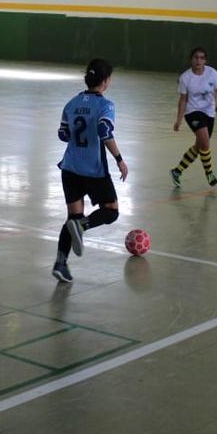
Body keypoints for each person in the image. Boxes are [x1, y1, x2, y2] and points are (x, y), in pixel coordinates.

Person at [52, 58, 129, 283]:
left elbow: (63, 134)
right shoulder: (106, 105)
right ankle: (82, 225)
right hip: (93, 170)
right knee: (111, 211)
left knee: (72, 216)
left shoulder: (72, 103)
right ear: (105, 81)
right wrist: (119, 159)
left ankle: (60, 263)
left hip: (70, 167)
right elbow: (104, 131)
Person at [170, 46, 217, 188]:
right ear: (191, 59)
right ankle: (209, 173)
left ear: (205, 60)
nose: (198, 60)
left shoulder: (212, 73)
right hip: (192, 112)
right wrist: (179, 120)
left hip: (209, 113)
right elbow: (182, 100)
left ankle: (177, 171)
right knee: (205, 142)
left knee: (200, 145)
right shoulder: (185, 78)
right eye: (196, 57)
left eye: (201, 58)